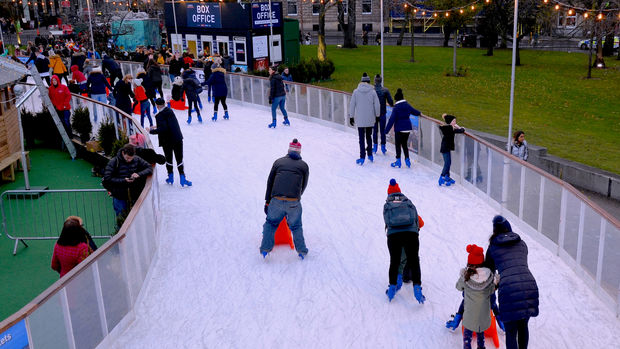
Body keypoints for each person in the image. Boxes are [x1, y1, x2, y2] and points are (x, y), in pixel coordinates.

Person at [485, 215, 539, 349]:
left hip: (509, 288)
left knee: (511, 331)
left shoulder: (493, 247)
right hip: (528, 285)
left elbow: (488, 271)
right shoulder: (521, 243)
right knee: (523, 326)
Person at [260, 139, 309, 259]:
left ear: (288, 150)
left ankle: (265, 249)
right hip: (293, 201)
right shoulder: (303, 165)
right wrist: (297, 197)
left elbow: (270, 182)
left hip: (276, 199)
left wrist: (267, 201)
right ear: (299, 152)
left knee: (271, 223)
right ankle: (301, 251)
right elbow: (304, 185)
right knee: (296, 226)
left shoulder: (278, 162)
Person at [383, 179, 425, 304]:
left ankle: (392, 286)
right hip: (411, 235)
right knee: (414, 260)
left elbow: (387, 223)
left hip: (394, 236)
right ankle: (417, 287)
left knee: (395, 261)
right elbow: (420, 223)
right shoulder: (407, 203)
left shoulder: (388, 206)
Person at [454, 244, 499, 349]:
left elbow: (458, 287)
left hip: (469, 316)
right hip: (483, 317)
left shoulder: (465, 277)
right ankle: (481, 346)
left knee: (468, 331)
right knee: (480, 330)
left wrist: (462, 277)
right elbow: (492, 289)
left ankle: (467, 345)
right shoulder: (489, 277)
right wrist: (497, 283)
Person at [149, 98, 192, 187]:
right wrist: (156, 126)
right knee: (179, 158)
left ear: (157, 106)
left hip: (167, 140)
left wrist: (151, 131)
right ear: (164, 104)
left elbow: (163, 128)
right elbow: (168, 123)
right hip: (177, 138)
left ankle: (170, 177)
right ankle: (182, 177)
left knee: (169, 159)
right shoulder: (170, 111)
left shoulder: (159, 116)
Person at [103, 144, 153, 217]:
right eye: (127, 158)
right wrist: (123, 180)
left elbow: (149, 168)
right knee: (121, 216)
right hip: (119, 195)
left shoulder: (136, 159)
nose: (129, 160)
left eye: (131, 158)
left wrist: (139, 174)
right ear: (123, 153)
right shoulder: (114, 161)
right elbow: (107, 178)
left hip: (133, 194)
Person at [384, 88, 422, 168]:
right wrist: (419, 113)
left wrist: (386, 131)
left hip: (399, 129)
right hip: (407, 128)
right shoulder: (407, 105)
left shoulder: (396, 107)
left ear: (396, 99)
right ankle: (407, 159)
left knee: (398, 145)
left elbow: (391, 120)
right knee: (404, 144)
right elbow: (414, 111)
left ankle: (398, 161)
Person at [349, 72, 380, 165]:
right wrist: (377, 116)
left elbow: (352, 105)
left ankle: (362, 156)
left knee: (361, 138)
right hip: (370, 119)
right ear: (369, 82)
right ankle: (370, 154)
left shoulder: (356, 92)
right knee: (369, 137)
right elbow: (377, 105)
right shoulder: (373, 91)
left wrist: (351, 116)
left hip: (360, 119)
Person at [439, 114, 465, 186]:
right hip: (445, 148)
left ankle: (447, 176)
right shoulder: (449, 128)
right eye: (453, 121)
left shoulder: (448, 127)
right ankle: (442, 176)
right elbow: (461, 131)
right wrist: (460, 128)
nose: (455, 122)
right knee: (447, 163)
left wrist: (445, 117)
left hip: (446, 148)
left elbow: (455, 128)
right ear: (450, 121)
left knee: (448, 162)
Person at [373, 74, 394, 155]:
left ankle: (375, 146)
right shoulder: (385, 90)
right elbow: (390, 101)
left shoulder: (372, 90)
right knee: (382, 130)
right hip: (382, 114)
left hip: (374, 114)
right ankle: (383, 146)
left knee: (375, 130)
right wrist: (392, 105)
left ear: (375, 81)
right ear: (381, 81)